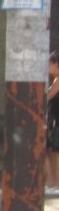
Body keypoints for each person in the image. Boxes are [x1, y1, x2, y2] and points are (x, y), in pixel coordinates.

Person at [47, 52, 59, 198]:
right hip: (54, 120)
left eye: (49, 63)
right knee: (52, 151)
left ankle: (54, 183)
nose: (47, 67)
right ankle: (53, 183)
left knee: (54, 152)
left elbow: (48, 95)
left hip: (57, 121)